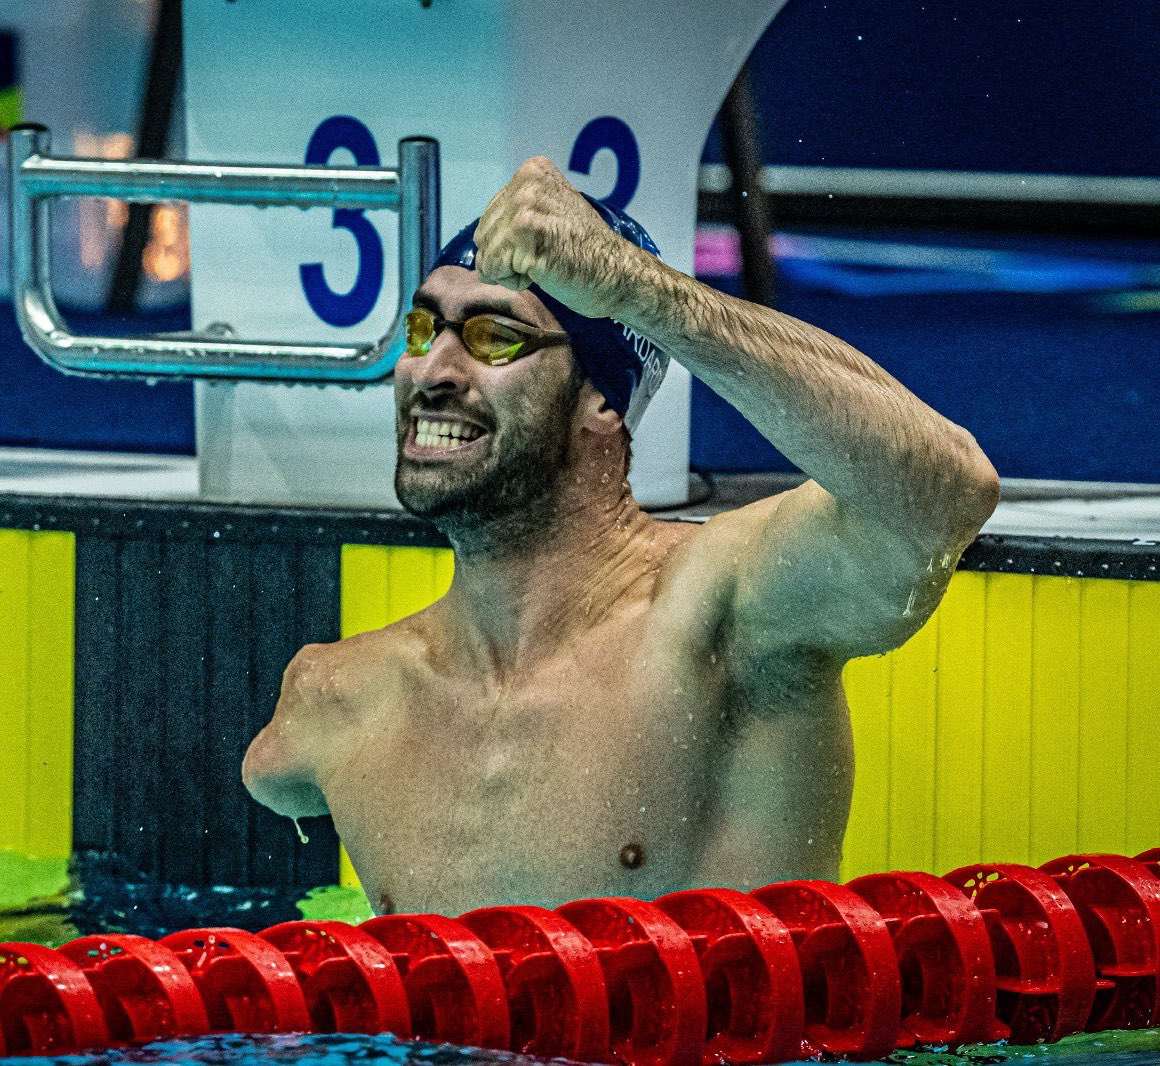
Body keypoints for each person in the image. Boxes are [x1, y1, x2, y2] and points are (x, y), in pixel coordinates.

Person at [243, 157, 1000, 916]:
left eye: (494, 338)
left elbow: (943, 497)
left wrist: (635, 289)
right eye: (422, 328)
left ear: (604, 402)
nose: (431, 370)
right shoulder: (340, 700)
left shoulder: (721, 618)